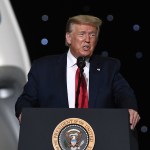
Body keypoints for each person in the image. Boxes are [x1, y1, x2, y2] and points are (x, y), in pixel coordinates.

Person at [15, 14, 140, 130]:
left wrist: (130, 108)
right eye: (82, 34)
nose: (87, 40)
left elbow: (124, 93)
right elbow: (26, 99)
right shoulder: (43, 67)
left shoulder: (108, 67)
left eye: (92, 35)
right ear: (69, 38)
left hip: (98, 136)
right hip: (53, 136)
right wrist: (23, 113)